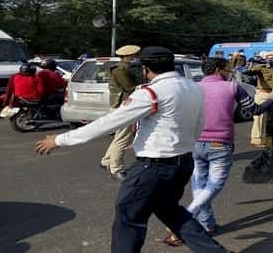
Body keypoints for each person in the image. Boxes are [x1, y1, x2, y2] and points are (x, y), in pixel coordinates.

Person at [35, 46, 228, 253]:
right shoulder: (194, 87)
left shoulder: (150, 92)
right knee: (171, 212)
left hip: (153, 167)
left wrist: (60, 139)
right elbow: (198, 124)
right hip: (182, 163)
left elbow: (109, 122)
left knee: (128, 219)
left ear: (145, 68)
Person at [164, 58, 273, 245]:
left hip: (194, 143)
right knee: (213, 185)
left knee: (199, 185)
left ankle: (207, 224)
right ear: (219, 70)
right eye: (228, 69)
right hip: (220, 144)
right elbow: (254, 110)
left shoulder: (192, 88)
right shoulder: (233, 87)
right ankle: (185, 217)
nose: (230, 72)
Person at [100, 45, 142, 181]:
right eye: (135, 55)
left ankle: (106, 161)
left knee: (119, 136)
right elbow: (129, 88)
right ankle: (116, 168)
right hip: (123, 106)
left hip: (121, 105)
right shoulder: (120, 70)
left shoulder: (123, 68)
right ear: (129, 56)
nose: (137, 57)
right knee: (123, 138)